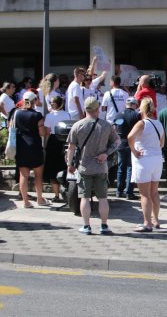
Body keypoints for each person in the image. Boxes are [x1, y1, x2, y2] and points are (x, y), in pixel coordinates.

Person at [66, 97, 121, 235]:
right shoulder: (106, 125)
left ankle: (86, 226)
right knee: (103, 198)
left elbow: (71, 148)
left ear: (85, 109)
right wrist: (106, 154)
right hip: (101, 167)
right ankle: (104, 226)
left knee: (84, 197)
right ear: (98, 109)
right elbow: (117, 141)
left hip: (84, 167)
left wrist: (69, 164)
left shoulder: (77, 125)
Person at [128, 98, 165, 233]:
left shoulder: (142, 123)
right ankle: (156, 220)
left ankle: (147, 223)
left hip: (144, 159)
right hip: (157, 159)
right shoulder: (159, 123)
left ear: (141, 109)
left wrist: (134, 150)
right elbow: (162, 143)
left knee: (144, 194)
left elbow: (130, 137)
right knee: (154, 192)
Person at [13, 91, 48, 208]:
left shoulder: (17, 113)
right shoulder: (37, 115)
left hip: (21, 146)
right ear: (34, 101)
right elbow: (41, 133)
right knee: (38, 175)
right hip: (35, 146)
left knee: (23, 175)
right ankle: (40, 199)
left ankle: (25, 202)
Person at [43, 96, 71, 202]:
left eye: (52, 102)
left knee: (52, 169)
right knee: (63, 165)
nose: (51, 104)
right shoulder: (67, 114)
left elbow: (47, 132)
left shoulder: (49, 116)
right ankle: (66, 192)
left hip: (53, 140)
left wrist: (45, 145)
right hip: (64, 140)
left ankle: (56, 195)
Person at [114, 97, 140, 199]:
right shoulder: (136, 115)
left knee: (121, 167)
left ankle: (119, 191)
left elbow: (114, 128)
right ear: (134, 105)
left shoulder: (118, 114)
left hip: (120, 143)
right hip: (131, 143)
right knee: (130, 168)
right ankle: (129, 192)